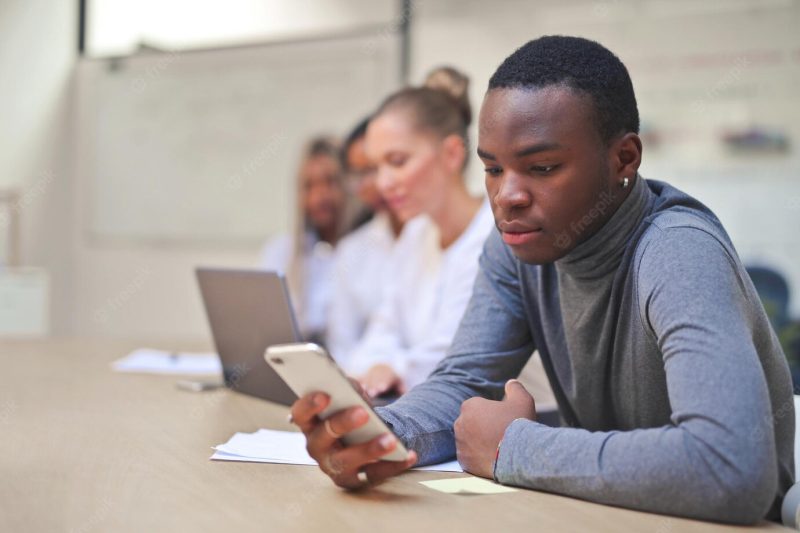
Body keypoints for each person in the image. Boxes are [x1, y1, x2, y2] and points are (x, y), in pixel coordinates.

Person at [289, 36, 795, 525]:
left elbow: (730, 468)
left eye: (543, 167)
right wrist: (381, 432)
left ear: (624, 159)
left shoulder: (678, 251)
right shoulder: (516, 243)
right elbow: (466, 381)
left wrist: (515, 446)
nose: (507, 196)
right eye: (491, 169)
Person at [342, 71, 495, 398]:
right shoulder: (417, 232)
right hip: (422, 408)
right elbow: (383, 328)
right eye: (376, 166)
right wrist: (377, 366)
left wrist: (392, 368)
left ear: (452, 154)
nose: (383, 183)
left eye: (397, 161)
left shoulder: (495, 236)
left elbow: (453, 355)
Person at [327, 117, 404, 364]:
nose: (373, 184)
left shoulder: (436, 235)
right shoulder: (352, 249)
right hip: (370, 385)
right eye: (358, 174)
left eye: (374, 168)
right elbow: (342, 343)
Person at [259, 136, 346, 343]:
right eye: (309, 186)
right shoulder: (281, 251)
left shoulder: (365, 248)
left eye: (330, 182)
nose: (319, 197)